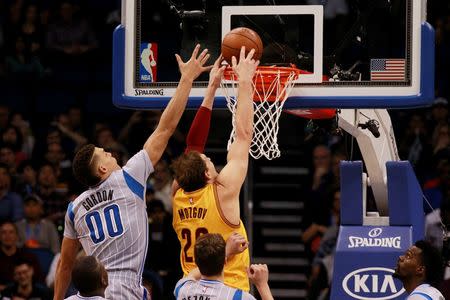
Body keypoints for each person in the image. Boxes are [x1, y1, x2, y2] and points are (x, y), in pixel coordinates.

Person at [53, 44, 212, 300]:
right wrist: (187, 79)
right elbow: (165, 128)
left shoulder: (75, 208)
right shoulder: (128, 176)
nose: (108, 150)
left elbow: (65, 265)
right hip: (123, 290)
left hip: (90, 292)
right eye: (103, 153)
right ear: (103, 169)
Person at [171, 47, 259, 291]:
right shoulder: (222, 192)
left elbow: (193, 146)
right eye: (209, 160)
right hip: (228, 288)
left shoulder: (177, 194)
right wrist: (244, 81)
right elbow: (243, 136)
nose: (210, 158)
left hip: (191, 288)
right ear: (208, 175)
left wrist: (211, 88)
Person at [174, 233, 273, 300]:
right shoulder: (237, 297)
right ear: (225, 261)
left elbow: (192, 275)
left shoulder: (182, 289)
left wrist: (225, 253)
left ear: (196, 262)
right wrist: (262, 284)